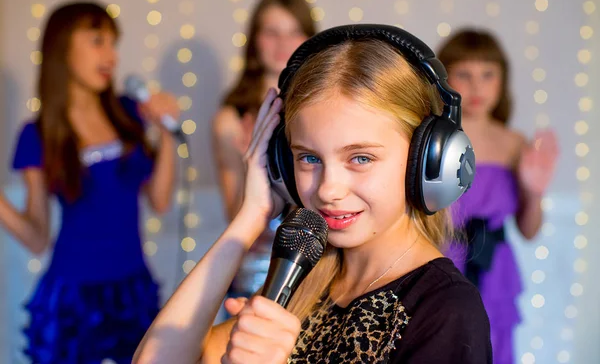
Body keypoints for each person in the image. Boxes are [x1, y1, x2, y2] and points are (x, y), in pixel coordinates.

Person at [133, 24, 492, 363]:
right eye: (308, 158)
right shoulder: (306, 281)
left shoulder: (446, 308)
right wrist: (250, 216)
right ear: (282, 166)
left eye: (360, 158)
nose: (328, 189)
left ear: (426, 162)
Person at [0, 0, 179, 363]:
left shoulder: (129, 113)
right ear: (63, 47)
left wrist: (167, 134)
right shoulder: (37, 134)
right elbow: (36, 238)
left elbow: (160, 201)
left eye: (114, 43)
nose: (111, 55)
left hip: (133, 289)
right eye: (98, 41)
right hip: (72, 297)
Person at [437, 28, 559, 364]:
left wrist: (534, 192)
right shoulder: (435, 136)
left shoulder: (515, 144)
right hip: (443, 256)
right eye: (465, 74)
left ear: (503, 80)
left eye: (488, 75)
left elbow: (529, 230)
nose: (477, 87)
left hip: (495, 271)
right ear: (444, 77)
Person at [212, 0, 316, 299]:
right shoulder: (231, 119)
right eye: (272, 32)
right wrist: (251, 166)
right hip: (255, 272)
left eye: (293, 31)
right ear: (255, 40)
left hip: (316, 270)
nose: (283, 43)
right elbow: (235, 217)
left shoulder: (320, 108)